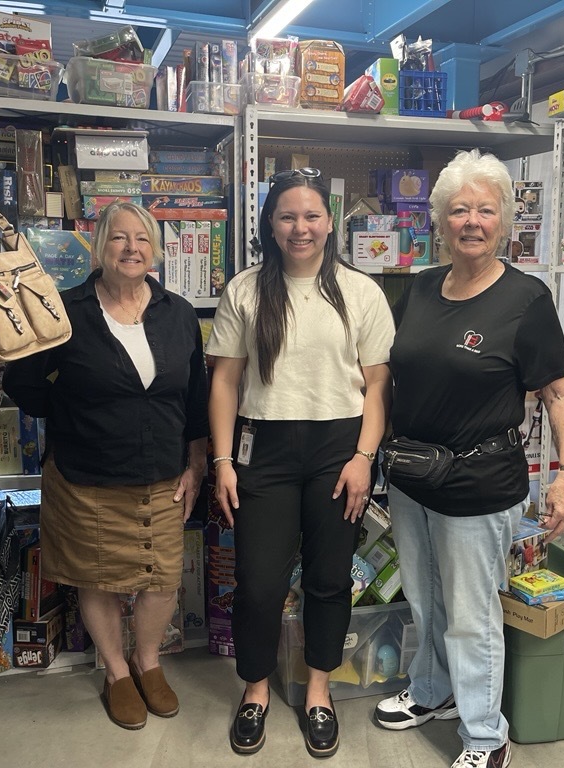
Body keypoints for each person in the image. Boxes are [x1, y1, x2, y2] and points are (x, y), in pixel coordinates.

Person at [373, 149, 564, 768]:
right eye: (459, 210)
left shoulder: (526, 298)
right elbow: (391, 373)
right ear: (440, 220)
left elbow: (562, 392)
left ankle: (487, 738)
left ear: (504, 221)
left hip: (480, 481)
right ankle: (433, 691)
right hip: (413, 477)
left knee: (471, 616)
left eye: (485, 211)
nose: (472, 222)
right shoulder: (419, 288)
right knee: (425, 599)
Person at [206, 168, 395, 758]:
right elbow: (225, 382)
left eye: (311, 215)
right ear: (270, 224)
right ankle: (255, 689)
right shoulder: (245, 290)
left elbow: (377, 385)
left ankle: (319, 691)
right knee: (259, 583)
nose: (300, 227)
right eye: (287, 216)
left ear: (330, 222)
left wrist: (364, 457)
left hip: (340, 448)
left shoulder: (360, 292)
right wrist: (222, 460)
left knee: (329, 578)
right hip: (263, 448)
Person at [3, 201, 209, 731]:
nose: (131, 248)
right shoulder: (65, 310)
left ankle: (148, 662)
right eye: (119, 237)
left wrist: (197, 461)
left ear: (155, 250)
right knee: (96, 578)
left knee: (162, 576)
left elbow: (195, 398)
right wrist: (71, 414)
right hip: (86, 474)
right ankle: (116, 671)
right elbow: (22, 382)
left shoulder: (179, 313)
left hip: (163, 473)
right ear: (100, 247)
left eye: (141, 238)